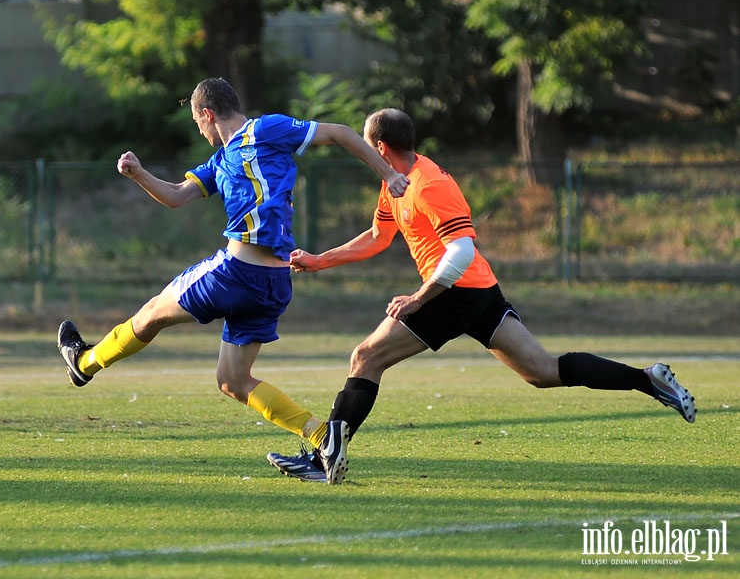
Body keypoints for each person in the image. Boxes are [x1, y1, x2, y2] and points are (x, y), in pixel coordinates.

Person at [267, 108, 696, 483]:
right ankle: (647, 380)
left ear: (380, 145)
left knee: (366, 357)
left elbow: (461, 250)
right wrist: (321, 260)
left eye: (364, 144)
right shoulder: (395, 181)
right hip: (477, 291)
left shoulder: (428, 183)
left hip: (451, 292)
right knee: (542, 371)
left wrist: (419, 297)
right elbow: (380, 236)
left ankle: (325, 458)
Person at [57, 78, 410, 486]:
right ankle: (321, 437)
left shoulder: (264, 129)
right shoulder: (221, 161)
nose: (200, 131)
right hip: (274, 284)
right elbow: (176, 195)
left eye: (197, 122)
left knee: (152, 312)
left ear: (207, 114)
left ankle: (84, 363)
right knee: (233, 381)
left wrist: (388, 174)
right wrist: (139, 175)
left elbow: (340, 132)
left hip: (237, 272)